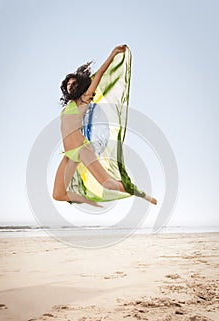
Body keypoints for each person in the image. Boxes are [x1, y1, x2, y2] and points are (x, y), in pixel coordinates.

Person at [53, 45, 157, 206]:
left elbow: (100, 74)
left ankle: (141, 194)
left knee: (107, 184)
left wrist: (113, 53)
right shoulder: (69, 105)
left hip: (82, 149)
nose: (69, 85)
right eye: (68, 84)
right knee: (58, 194)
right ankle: (91, 202)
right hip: (69, 153)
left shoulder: (84, 99)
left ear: (79, 86)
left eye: (73, 83)